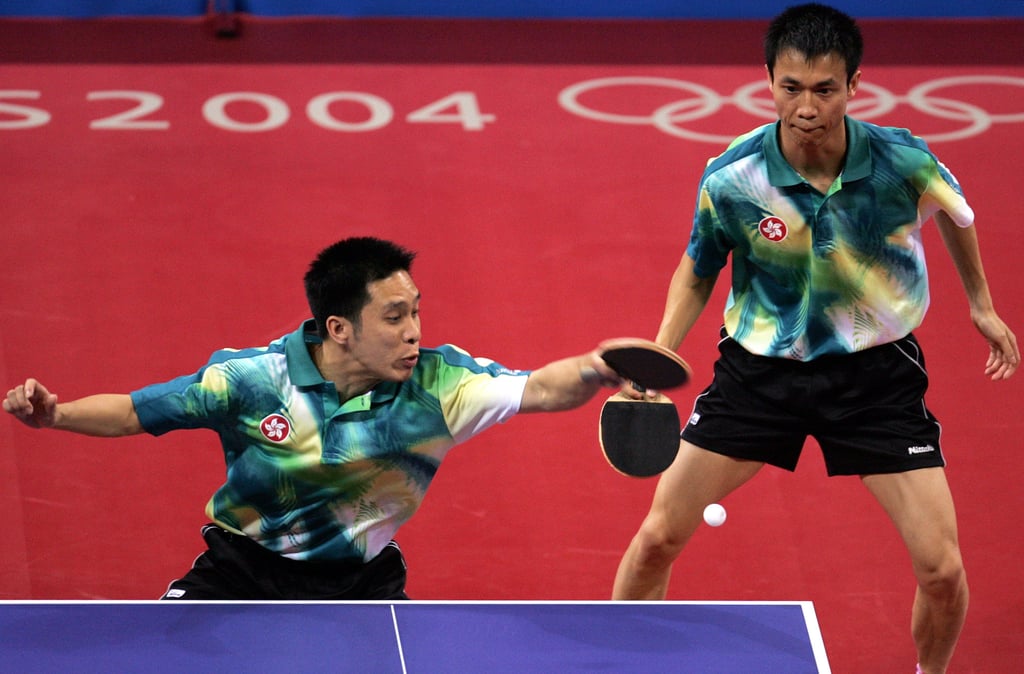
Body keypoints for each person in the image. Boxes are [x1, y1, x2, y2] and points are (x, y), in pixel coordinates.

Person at [610, 5, 1018, 674]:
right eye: (791, 87)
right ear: (769, 81)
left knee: (942, 571)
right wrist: (658, 354)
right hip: (758, 377)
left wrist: (981, 303)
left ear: (854, 84)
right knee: (656, 538)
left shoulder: (901, 159)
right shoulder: (734, 175)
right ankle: (619, 663)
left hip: (874, 380)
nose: (806, 107)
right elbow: (698, 269)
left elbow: (959, 214)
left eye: (825, 89)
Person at [4, 236, 623, 600]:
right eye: (394, 317)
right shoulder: (251, 380)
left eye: (416, 311)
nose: (414, 332)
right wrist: (56, 415)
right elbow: (133, 413)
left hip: (362, 585)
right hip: (241, 572)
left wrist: (595, 369)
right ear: (339, 328)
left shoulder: (442, 385)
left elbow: (543, 389)